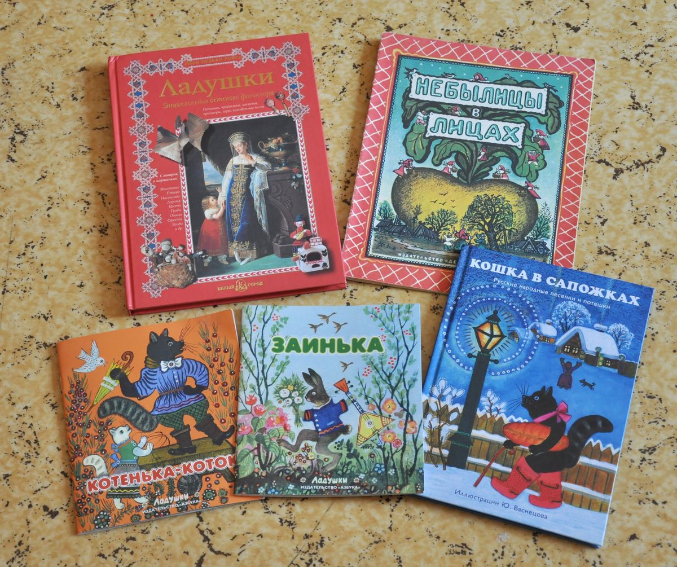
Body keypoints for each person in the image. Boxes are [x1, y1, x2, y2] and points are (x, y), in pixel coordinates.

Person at [218, 132, 271, 265]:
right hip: (232, 195)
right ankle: (238, 252)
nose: (238, 149)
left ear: (246, 144)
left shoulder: (254, 157)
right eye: (235, 147)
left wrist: (253, 163)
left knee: (247, 221)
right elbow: (227, 179)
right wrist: (223, 195)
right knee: (233, 222)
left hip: (248, 194)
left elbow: (268, 167)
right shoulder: (233, 160)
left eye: (240, 146)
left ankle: (250, 252)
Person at [196, 195, 229, 265]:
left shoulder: (218, 206)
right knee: (209, 243)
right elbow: (217, 216)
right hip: (211, 230)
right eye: (212, 200)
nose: (215, 200)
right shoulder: (208, 211)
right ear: (208, 204)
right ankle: (206, 260)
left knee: (221, 241)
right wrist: (222, 208)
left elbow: (220, 200)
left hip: (220, 228)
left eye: (215, 199)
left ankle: (222, 258)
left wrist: (220, 193)